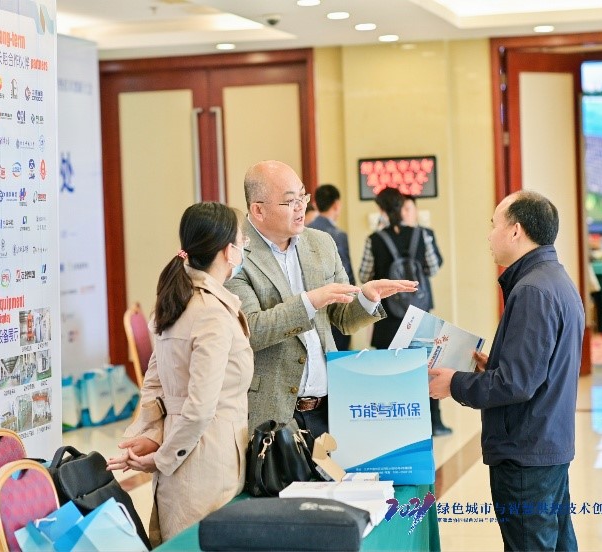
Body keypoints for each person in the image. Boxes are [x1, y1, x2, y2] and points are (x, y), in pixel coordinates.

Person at [428, 191, 584, 551]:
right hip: (547, 442)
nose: (489, 235)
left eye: (493, 224)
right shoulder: (554, 279)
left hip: (525, 452)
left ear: (515, 231)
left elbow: (517, 383)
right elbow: (538, 368)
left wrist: (455, 383)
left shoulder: (531, 290)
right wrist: (494, 365)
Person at [225, 160, 418, 440]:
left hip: (328, 408)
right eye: (290, 201)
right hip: (270, 413)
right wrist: (309, 302)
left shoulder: (321, 243)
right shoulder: (235, 252)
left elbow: (342, 319)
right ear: (258, 210)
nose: (301, 207)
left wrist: (366, 298)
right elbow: (251, 330)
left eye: (303, 197)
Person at [106, 202, 253, 545]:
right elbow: (200, 408)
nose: (243, 246)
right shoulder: (212, 313)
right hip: (209, 466)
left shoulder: (175, 300)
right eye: (241, 240)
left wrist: (156, 439)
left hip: (181, 459)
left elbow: (155, 385)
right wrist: (160, 457)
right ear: (227, 251)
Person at [359, 190, 448, 435]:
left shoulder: (374, 239)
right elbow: (432, 267)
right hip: (419, 313)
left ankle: (394, 425)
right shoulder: (421, 234)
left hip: (388, 315)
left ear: (382, 210)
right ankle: (433, 422)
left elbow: (365, 275)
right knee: (426, 366)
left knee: (389, 369)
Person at [401, 194, 449, 435]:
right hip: (411, 309)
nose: (405, 213)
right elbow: (433, 267)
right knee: (418, 364)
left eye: (408, 208)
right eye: (402, 209)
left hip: (411, 310)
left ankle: (432, 420)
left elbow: (434, 265)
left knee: (428, 363)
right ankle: (422, 422)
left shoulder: (423, 234)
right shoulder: (418, 235)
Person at [307, 183, 356, 351]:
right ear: (336, 205)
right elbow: (346, 273)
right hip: (336, 305)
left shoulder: (304, 232)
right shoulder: (338, 235)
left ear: (315, 204)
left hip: (311, 306)